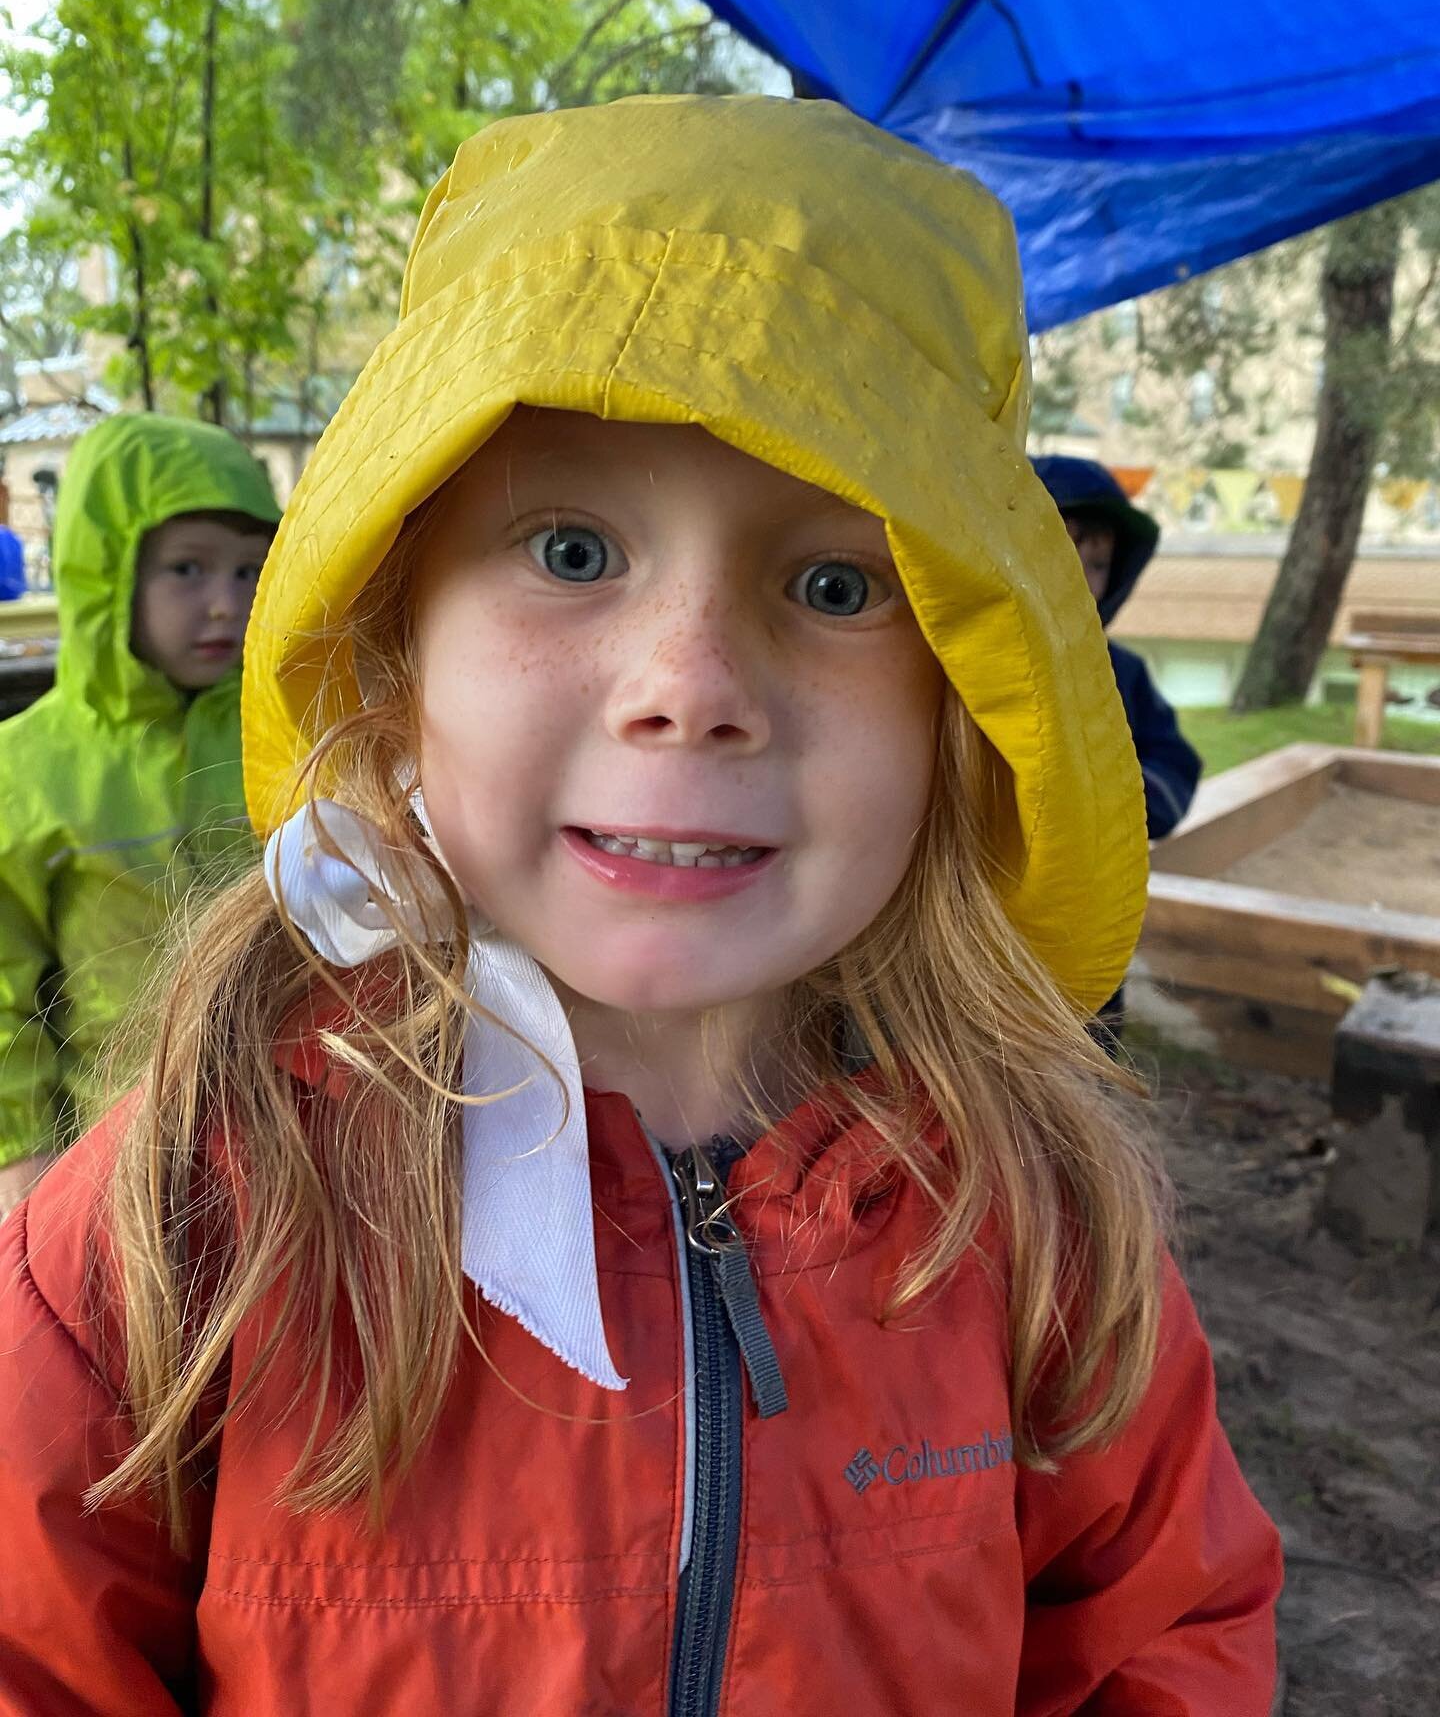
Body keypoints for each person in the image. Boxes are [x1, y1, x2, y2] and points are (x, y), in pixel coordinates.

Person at [0, 99, 1280, 1714]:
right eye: (573, 546)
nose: (690, 688)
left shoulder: (1036, 1226)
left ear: (965, 700)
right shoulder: (188, 1210)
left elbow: (1169, 1636)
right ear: (395, 663)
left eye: (835, 585)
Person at [0, 411, 279, 1219]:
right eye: (187, 570)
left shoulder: (281, 729)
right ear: (108, 572)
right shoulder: (29, 767)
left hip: (294, 1142)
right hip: (115, 1160)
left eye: (248, 572)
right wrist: (22, 1153)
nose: (225, 604)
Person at [1032, 455, 1202, 840]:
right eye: (1058, 559)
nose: (1079, 582)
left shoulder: (1122, 673)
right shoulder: (964, 665)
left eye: (1097, 564)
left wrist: (1112, 793)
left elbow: (1174, 772)